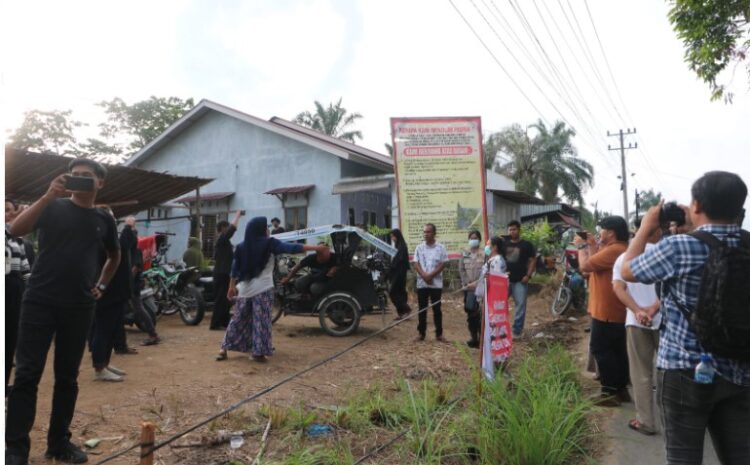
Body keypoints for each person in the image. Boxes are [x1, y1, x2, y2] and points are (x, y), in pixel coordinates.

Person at [622, 171, 750, 464]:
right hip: (741, 368)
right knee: (739, 456)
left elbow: (628, 271)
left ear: (696, 206)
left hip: (684, 369)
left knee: (683, 458)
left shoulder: (679, 247)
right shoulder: (747, 243)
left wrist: (645, 228)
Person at [6, 159, 120, 465]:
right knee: (28, 374)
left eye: (87, 177)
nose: (80, 180)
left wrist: (103, 285)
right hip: (39, 300)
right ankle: (16, 449)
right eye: (75, 176)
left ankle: (59, 443)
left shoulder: (104, 219)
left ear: (100, 183)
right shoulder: (53, 207)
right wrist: (47, 196)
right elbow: (15, 229)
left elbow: (114, 255)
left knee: (67, 378)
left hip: (80, 305)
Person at [216, 217, 327, 362]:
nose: (268, 230)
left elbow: (234, 269)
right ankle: (257, 353)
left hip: (244, 290)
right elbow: (291, 248)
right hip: (263, 288)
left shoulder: (241, 247)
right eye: (265, 228)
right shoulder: (269, 243)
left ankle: (223, 349)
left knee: (238, 319)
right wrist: (316, 248)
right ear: (261, 230)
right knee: (261, 321)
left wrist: (231, 287)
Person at [612, 217, 662, 435]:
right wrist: (654, 308)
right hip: (665, 321)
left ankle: (646, 421)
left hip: (636, 322)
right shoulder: (667, 253)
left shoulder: (625, 258)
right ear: (657, 230)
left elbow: (619, 288)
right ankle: (678, 419)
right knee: (669, 372)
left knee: (641, 373)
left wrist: (638, 310)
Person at [574, 216, 630, 406]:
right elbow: (591, 269)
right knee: (617, 351)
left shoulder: (615, 250)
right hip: (611, 310)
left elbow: (585, 266)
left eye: (602, 229)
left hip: (606, 311)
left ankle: (609, 392)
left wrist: (581, 247)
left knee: (601, 349)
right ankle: (620, 389)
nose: (600, 233)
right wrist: (590, 245)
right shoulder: (615, 249)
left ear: (611, 233)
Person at [90, 207, 135, 382]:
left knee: (111, 330)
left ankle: (105, 363)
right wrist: (128, 227)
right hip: (106, 292)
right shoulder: (99, 238)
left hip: (118, 292)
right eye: (109, 217)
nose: (113, 220)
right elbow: (121, 247)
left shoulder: (112, 237)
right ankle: (99, 367)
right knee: (102, 330)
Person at [5, 199, 31, 394]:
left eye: (8, 210)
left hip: (14, 291)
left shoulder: (18, 239)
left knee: (9, 342)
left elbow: (25, 271)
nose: (6, 214)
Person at [412, 223, 449, 342]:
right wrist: (424, 275)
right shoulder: (419, 248)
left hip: (435, 284)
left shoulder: (441, 248)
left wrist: (431, 275)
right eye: (424, 232)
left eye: (428, 232)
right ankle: (421, 333)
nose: (425, 234)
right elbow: (416, 263)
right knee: (422, 309)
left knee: (437, 309)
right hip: (422, 283)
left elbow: (443, 264)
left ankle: (439, 334)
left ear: (434, 233)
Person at [503, 220, 536, 337]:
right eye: (510, 229)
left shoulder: (526, 245)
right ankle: (501, 328)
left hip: (520, 281)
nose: (512, 231)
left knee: (521, 305)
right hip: (504, 280)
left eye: (514, 229)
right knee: (500, 304)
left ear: (519, 230)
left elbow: (532, 261)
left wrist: (528, 275)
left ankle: (517, 331)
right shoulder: (504, 244)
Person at [210, 211, 241, 330]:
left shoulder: (224, 241)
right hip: (221, 274)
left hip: (225, 273)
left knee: (226, 300)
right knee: (220, 299)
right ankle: (215, 324)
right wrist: (237, 215)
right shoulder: (222, 239)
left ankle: (224, 322)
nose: (228, 229)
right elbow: (232, 229)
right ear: (223, 228)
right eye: (226, 227)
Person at [459, 230, 485, 348]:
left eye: (475, 238)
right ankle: (474, 338)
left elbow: (486, 271)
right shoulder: (465, 253)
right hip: (469, 289)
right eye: (471, 238)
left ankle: (482, 338)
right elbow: (461, 270)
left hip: (481, 288)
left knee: (481, 314)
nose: (473, 240)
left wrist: (478, 283)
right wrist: (467, 283)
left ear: (479, 240)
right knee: (470, 313)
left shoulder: (485, 253)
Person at [387, 228, 411, 320]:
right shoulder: (398, 246)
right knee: (399, 292)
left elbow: (399, 260)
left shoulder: (402, 246)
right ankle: (401, 313)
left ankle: (406, 309)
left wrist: (391, 268)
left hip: (400, 273)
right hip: (398, 272)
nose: (392, 239)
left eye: (393, 236)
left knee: (393, 292)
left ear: (397, 236)